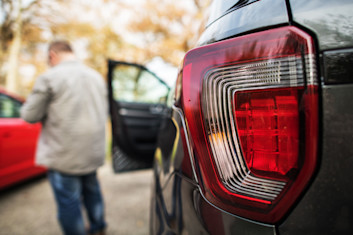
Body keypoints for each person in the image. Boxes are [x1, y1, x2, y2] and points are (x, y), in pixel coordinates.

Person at [21, 40, 107, 235]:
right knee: (92, 192)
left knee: (69, 203)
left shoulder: (49, 77)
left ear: (52, 55)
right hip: (92, 151)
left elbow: (29, 115)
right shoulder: (95, 77)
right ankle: (98, 227)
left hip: (64, 154)